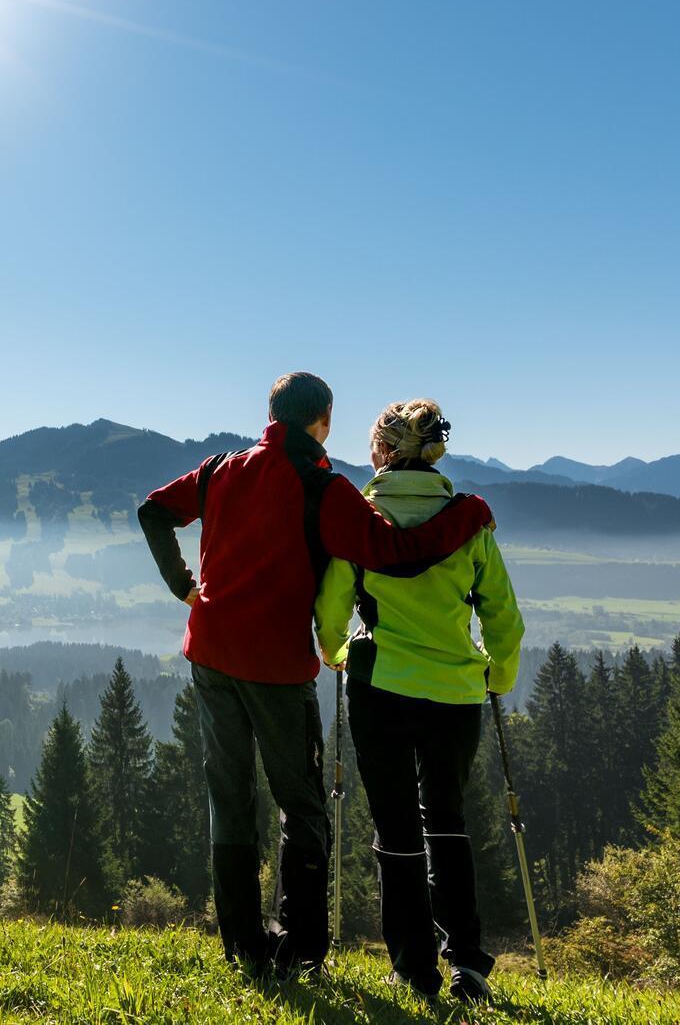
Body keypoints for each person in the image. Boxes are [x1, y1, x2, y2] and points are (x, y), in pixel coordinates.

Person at [137, 373, 496, 975]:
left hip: (209, 653)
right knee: (299, 804)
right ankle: (300, 947)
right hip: (274, 666)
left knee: (228, 798)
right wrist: (469, 516)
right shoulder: (323, 488)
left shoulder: (220, 468)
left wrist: (184, 587)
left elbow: (152, 511)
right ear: (324, 420)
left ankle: (245, 945)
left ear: (271, 413)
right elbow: (394, 553)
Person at [315, 399, 524, 1004]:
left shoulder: (362, 517)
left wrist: (335, 653)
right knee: (449, 822)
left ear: (382, 450)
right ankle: (469, 962)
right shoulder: (470, 519)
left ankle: (413, 967)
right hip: (456, 691)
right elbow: (503, 617)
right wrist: (497, 676)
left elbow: (333, 611)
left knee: (396, 829)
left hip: (380, 687)